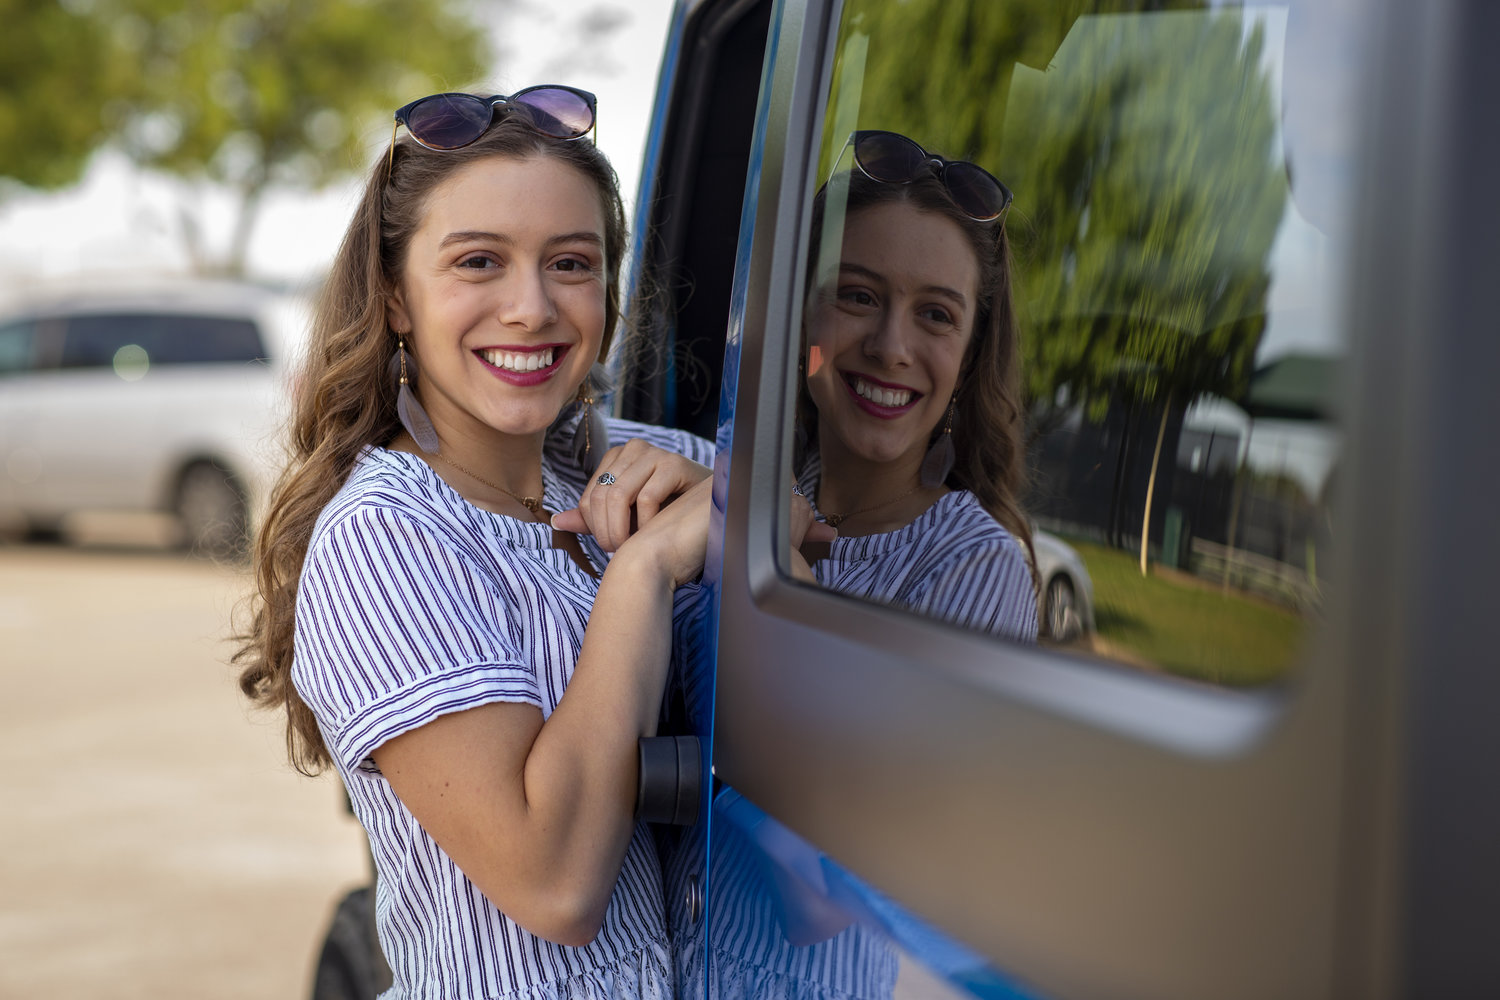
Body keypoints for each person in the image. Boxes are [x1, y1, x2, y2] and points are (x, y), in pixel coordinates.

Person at [235, 88, 717, 1000]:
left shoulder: (596, 465)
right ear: (396, 298)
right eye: (479, 262)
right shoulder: (386, 538)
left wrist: (722, 495)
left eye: (570, 263)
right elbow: (557, 882)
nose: (531, 308)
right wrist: (645, 571)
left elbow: (810, 524)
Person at [794, 129, 1039, 641]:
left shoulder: (975, 567)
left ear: (969, 359)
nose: (891, 348)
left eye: (935, 314)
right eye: (858, 296)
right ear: (800, 319)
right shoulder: (737, 477)